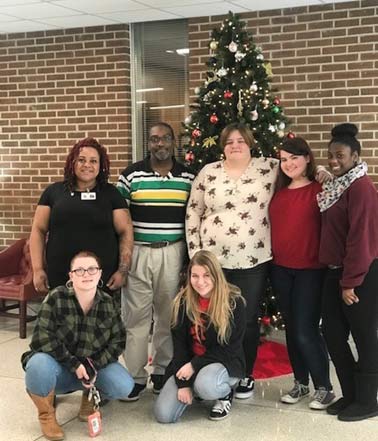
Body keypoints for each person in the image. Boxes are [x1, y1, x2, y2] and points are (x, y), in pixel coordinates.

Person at [186, 122, 279, 399]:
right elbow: (193, 212)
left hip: (252, 261)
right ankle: (215, 371)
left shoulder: (269, 168)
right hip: (213, 265)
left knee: (247, 320)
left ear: (250, 142)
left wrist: (320, 172)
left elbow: (299, 169)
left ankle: (243, 373)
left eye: (240, 140)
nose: (235, 145)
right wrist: (195, 256)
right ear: (222, 146)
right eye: (229, 141)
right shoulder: (209, 172)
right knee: (213, 318)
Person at [117, 122, 195, 399]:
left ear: (174, 141)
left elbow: (193, 219)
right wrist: (123, 258)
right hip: (138, 252)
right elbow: (119, 218)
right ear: (147, 143)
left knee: (167, 316)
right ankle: (135, 377)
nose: (159, 144)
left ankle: (162, 371)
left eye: (165, 138)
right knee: (136, 317)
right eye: (153, 139)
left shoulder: (188, 177)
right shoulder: (131, 175)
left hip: (173, 253)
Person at [21, 251, 134, 441]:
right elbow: (42, 338)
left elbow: (118, 341)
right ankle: (46, 414)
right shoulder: (56, 298)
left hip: (91, 370)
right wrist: (74, 364)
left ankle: (89, 395)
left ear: (100, 274)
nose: (86, 274)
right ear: (71, 275)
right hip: (60, 368)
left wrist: (94, 365)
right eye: (79, 270)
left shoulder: (108, 303)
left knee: (124, 385)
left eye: (91, 269)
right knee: (38, 364)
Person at [317, 123, 378, 421]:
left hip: (359, 276)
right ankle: (351, 394)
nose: (333, 160)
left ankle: (368, 401)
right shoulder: (336, 186)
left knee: (365, 337)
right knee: (333, 333)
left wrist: (350, 282)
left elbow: (361, 240)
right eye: (330, 155)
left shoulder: (362, 188)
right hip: (333, 273)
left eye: (340, 155)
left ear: (355, 157)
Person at [269, 137, 335, 410]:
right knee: (292, 328)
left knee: (305, 330)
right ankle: (301, 383)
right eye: (284, 159)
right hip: (281, 269)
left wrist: (328, 176)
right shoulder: (278, 192)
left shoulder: (321, 188)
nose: (289, 164)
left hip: (311, 270)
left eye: (294, 157)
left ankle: (325, 387)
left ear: (307, 157)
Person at [30, 137, 133, 296]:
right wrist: (37, 269)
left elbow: (125, 231)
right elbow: (38, 230)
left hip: (101, 277)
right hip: (60, 275)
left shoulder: (111, 194)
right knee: (62, 319)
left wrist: (123, 270)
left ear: (101, 165)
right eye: (81, 160)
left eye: (93, 161)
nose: (87, 165)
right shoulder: (53, 192)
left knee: (98, 320)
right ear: (72, 162)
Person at [154, 250, 246, 423]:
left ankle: (224, 393)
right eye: (194, 276)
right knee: (163, 415)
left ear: (216, 275)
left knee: (205, 384)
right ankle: (196, 387)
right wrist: (183, 385)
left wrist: (194, 366)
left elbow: (229, 349)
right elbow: (179, 346)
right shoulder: (182, 302)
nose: (200, 282)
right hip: (188, 364)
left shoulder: (234, 303)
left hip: (223, 362)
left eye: (206, 275)